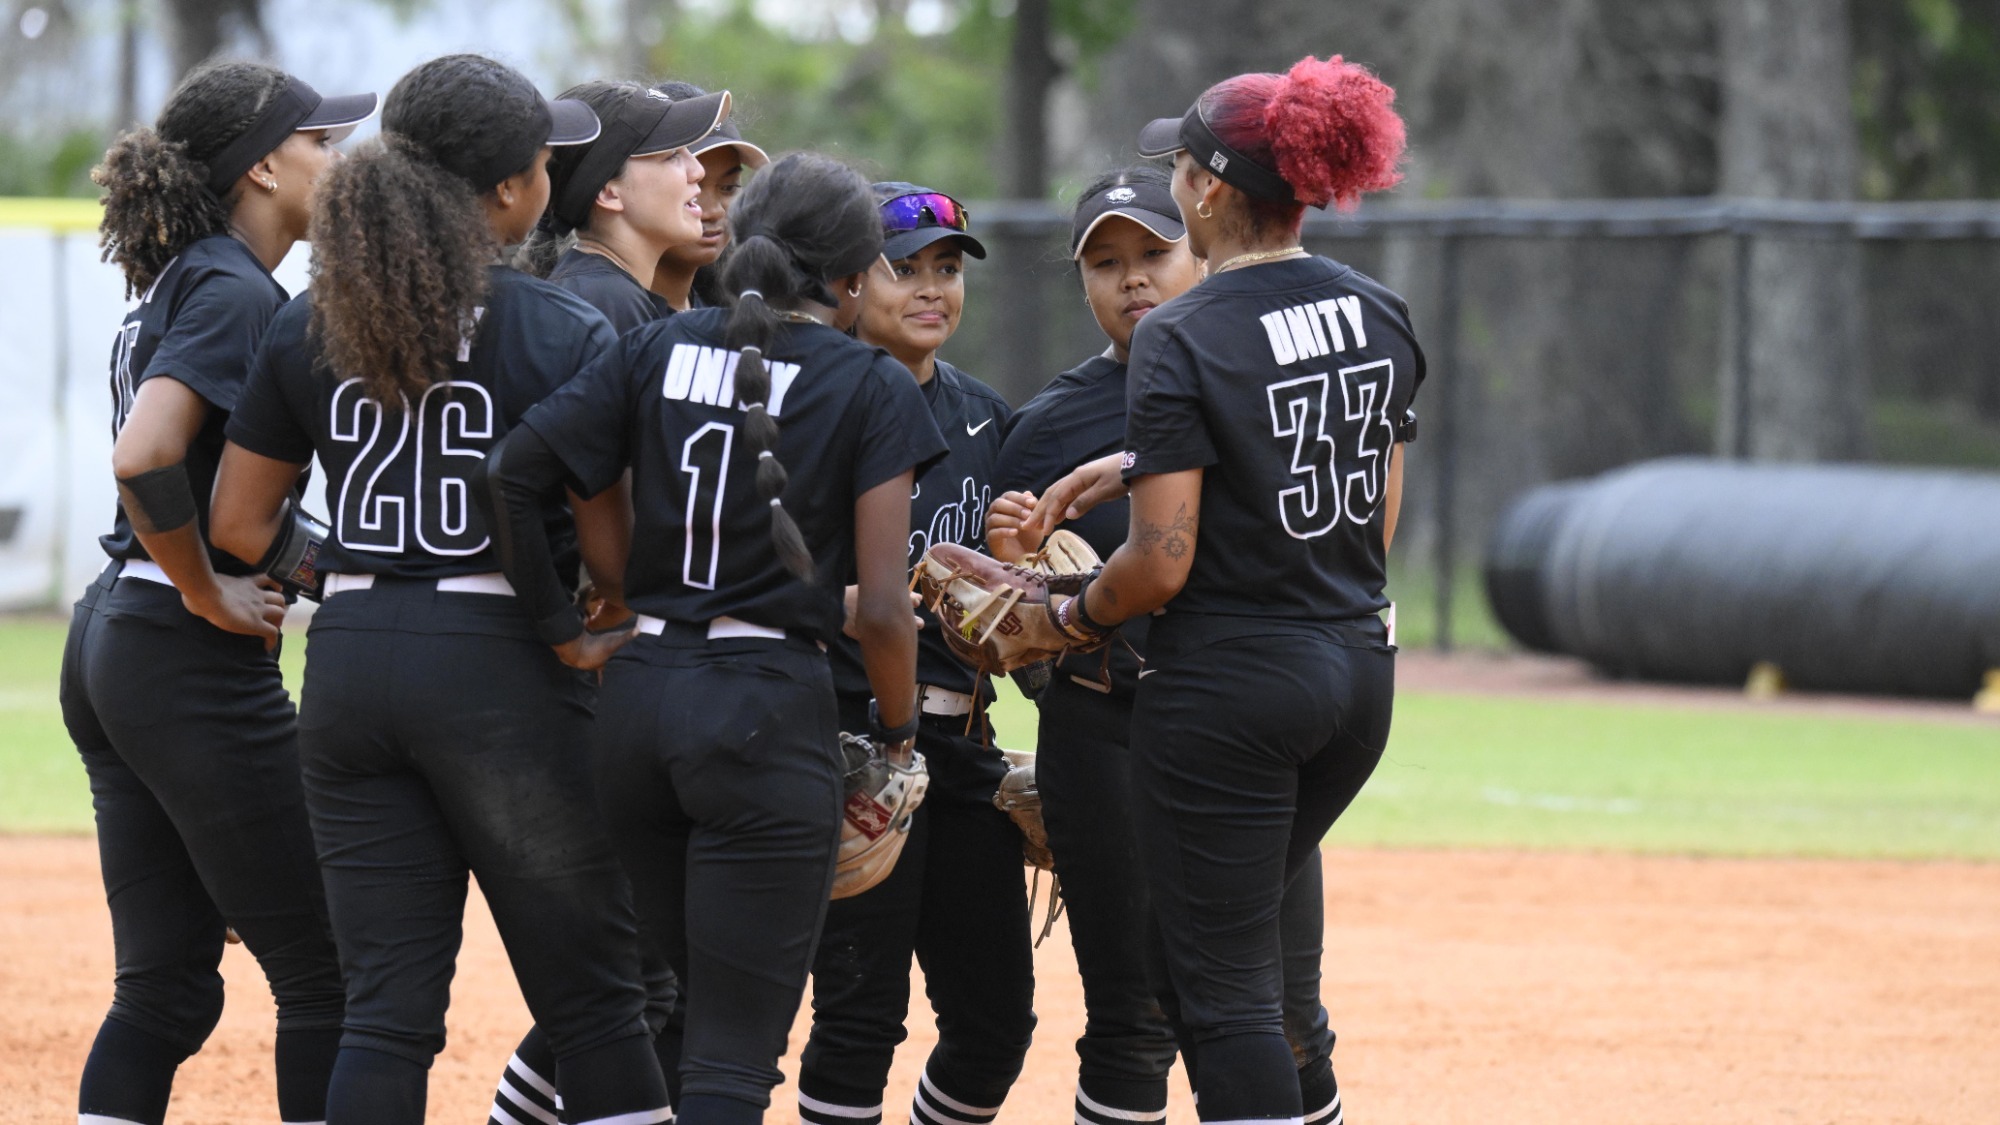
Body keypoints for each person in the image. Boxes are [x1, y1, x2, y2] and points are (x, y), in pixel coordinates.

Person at [207, 54, 671, 1125]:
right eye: (543, 164)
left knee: (385, 1013)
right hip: (503, 667)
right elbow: (614, 554)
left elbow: (237, 524)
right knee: (598, 1005)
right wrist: (598, 619)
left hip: (355, 665)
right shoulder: (561, 326)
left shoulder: (309, 316)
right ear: (512, 188)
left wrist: (359, 574)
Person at [471, 151, 944, 1125]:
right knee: (734, 1053)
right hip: (764, 712)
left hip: (637, 704)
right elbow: (887, 608)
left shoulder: (654, 347)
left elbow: (519, 471)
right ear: (854, 279)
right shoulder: (868, 381)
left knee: (685, 1007)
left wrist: (575, 625)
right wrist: (898, 734)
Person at [1014, 55, 1418, 1119]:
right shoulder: (1376, 309)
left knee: (1217, 987)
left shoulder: (1181, 334)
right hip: (1355, 671)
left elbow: (1160, 562)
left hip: (1229, 688)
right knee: (1209, 945)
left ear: (1210, 189)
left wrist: (1068, 612)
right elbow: (1372, 514)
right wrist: (1138, 465)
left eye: (1181, 168)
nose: (1176, 184)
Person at [987, 165, 1342, 1125]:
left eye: (1154, 252)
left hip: (1246, 738)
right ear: (1082, 282)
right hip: (1110, 734)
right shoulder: (1049, 426)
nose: (1133, 278)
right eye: (1105, 263)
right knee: (1131, 1019)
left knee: (1289, 1013)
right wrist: (1019, 568)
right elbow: (1017, 647)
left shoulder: (1261, 379)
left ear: (1202, 245)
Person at [59, 60, 373, 1125]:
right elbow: (146, 456)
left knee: (167, 985)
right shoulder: (239, 289)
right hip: (176, 643)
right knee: (328, 969)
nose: (339, 162)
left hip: (116, 630)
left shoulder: (192, 274)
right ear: (264, 165)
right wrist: (204, 589)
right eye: (323, 143)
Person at [489, 76, 734, 1125]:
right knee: (631, 970)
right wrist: (587, 611)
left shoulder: (626, 302)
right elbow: (548, 494)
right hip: (590, 675)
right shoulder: (599, 308)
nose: (697, 174)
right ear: (602, 195)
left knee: (636, 967)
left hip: (591, 668)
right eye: (673, 156)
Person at [797, 184, 1031, 1125]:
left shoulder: (986, 417)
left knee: (995, 1022)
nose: (933, 289)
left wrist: (1020, 574)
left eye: (948, 268)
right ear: (853, 281)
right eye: (907, 268)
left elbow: (1013, 610)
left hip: (964, 746)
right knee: (861, 1014)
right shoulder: (814, 406)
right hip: (848, 741)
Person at [516, 79, 729, 331]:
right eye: (672, 156)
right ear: (608, 193)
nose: (698, 170)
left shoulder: (605, 290)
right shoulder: (610, 301)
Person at [649, 79, 769, 311]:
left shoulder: (733, 311)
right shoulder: (610, 312)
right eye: (691, 184)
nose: (714, 211)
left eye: (728, 187)